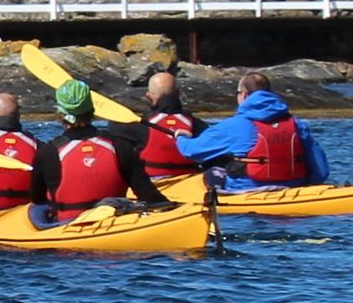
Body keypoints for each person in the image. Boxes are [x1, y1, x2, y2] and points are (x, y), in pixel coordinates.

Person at [168, 84, 334, 188]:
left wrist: (181, 137)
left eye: (238, 92)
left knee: (211, 173)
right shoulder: (297, 124)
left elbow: (192, 152)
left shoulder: (235, 125)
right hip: (295, 186)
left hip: (246, 190)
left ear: (245, 96)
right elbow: (321, 171)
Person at [33, 78, 150, 222]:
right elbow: (148, 195)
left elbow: (37, 199)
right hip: (116, 221)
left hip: (67, 225)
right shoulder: (121, 146)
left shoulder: (47, 152)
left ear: (60, 114)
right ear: (92, 110)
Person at [133, 68, 203, 186]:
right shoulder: (198, 125)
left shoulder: (136, 126)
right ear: (178, 93)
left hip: (152, 184)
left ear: (148, 96)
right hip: (190, 183)